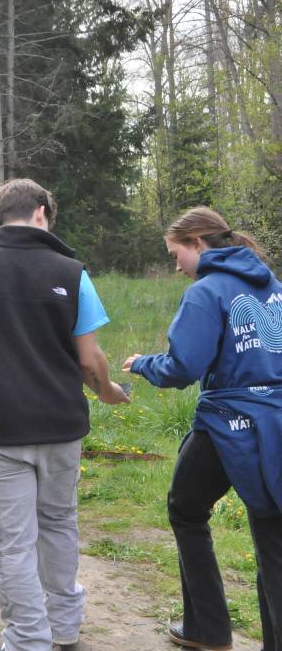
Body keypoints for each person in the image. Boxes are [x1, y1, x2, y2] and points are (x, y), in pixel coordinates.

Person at [0, 178, 129, 651]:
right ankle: (64, 626)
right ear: (42, 212)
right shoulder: (73, 271)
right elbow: (89, 360)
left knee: (12, 544)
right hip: (61, 428)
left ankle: (26, 639)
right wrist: (108, 392)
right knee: (59, 523)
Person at [123, 206, 282, 651]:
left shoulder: (206, 291)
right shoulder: (273, 287)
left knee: (186, 507)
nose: (176, 265)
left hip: (228, 423)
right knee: (272, 531)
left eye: (176, 253)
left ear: (197, 243)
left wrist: (142, 364)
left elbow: (183, 367)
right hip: (277, 422)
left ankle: (208, 631)